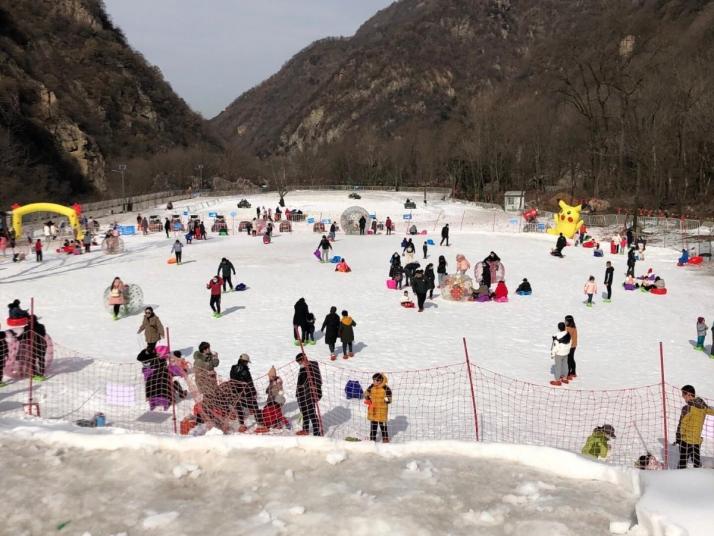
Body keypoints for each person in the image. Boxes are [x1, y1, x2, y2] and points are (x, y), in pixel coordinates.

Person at [675, 385, 714, 468]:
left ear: (689, 394)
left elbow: (682, 424)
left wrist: (678, 437)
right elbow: (712, 410)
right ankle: (699, 476)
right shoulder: (703, 407)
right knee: (696, 461)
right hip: (696, 441)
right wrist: (703, 404)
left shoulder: (687, 408)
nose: (683, 398)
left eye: (683, 395)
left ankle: (678, 478)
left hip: (685, 440)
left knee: (682, 462)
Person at [230, 354, 266, 433]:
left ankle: (241, 425)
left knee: (239, 408)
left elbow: (232, 380)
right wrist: (253, 392)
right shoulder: (245, 370)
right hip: (246, 393)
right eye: (247, 362)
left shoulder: (233, 368)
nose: (247, 364)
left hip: (236, 392)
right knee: (255, 407)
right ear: (245, 362)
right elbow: (249, 382)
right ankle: (260, 425)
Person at [295, 353, 322, 436]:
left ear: (304, 359)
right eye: (299, 363)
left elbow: (317, 380)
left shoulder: (313, 366)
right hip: (302, 393)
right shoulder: (302, 367)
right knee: (304, 412)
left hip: (310, 393)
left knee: (311, 412)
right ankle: (305, 429)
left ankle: (317, 432)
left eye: (300, 362)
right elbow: (300, 381)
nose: (299, 364)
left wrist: (316, 392)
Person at [365, 373, 392, 443]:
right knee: (373, 426)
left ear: (381, 380)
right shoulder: (371, 387)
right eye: (374, 380)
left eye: (377, 380)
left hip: (382, 411)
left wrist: (386, 400)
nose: (375, 382)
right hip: (373, 410)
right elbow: (366, 393)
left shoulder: (386, 388)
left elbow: (389, 399)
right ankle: (372, 439)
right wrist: (367, 397)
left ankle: (385, 438)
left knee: (383, 426)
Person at [550, 321, 571, 386]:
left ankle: (557, 380)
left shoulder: (557, 336)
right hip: (566, 352)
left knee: (558, 366)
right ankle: (565, 378)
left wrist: (552, 354)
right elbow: (570, 343)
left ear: (558, 328)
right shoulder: (568, 334)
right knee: (565, 365)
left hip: (559, 353)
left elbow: (555, 347)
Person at [564, 315, 577, 380]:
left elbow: (566, 338)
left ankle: (568, 373)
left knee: (569, 359)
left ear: (569, 321)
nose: (565, 322)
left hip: (571, 346)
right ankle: (573, 372)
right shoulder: (572, 327)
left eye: (566, 321)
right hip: (573, 345)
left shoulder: (569, 328)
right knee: (571, 358)